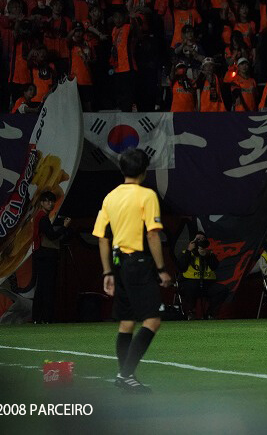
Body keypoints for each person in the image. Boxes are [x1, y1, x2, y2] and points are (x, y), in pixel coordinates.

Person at [92, 148, 172, 393]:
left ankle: (125, 377)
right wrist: (161, 268)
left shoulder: (110, 196)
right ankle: (126, 374)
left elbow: (102, 238)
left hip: (118, 263)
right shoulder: (146, 195)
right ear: (145, 171)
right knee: (152, 320)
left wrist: (107, 272)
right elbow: (152, 234)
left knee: (126, 322)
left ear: (122, 169)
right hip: (138, 263)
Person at [31, 191, 71, 324]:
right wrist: (64, 227)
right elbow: (52, 236)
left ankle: (38, 318)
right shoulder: (42, 218)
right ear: (41, 203)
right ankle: (45, 318)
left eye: (52, 201)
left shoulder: (40, 216)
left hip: (41, 254)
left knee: (42, 286)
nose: (50, 204)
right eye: (47, 201)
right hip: (46, 255)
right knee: (47, 287)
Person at [176, 234, 227, 319]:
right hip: (189, 282)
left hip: (207, 284)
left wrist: (207, 256)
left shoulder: (209, 254)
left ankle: (210, 314)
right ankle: (190, 312)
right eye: (198, 239)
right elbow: (181, 267)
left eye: (203, 239)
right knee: (192, 286)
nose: (200, 241)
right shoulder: (185, 253)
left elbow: (215, 266)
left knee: (222, 290)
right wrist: (189, 251)